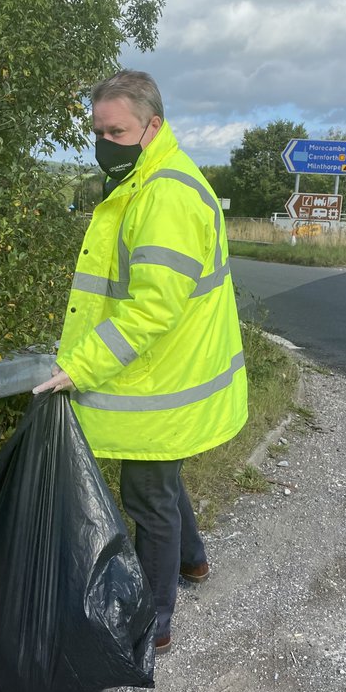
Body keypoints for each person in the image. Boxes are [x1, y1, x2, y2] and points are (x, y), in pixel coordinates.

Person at [34, 70, 247, 653]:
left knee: (147, 496)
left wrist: (82, 367)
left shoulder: (166, 196)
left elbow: (152, 308)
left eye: (117, 130)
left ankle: (155, 624)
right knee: (160, 474)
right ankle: (195, 562)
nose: (105, 141)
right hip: (164, 373)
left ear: (153, 126)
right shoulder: (144, 178)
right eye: (98, 130)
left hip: (162, 378)